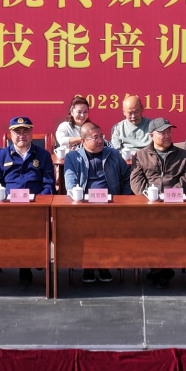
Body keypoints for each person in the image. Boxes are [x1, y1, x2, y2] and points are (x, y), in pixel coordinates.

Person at [63, 121, 132, 284]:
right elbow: (70, 184)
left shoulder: (113, 154)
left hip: (111, 204)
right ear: (83, 140)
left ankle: (104, 265)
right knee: (86, 225)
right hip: (84, 206)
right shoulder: (73, 157)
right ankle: (88, 265)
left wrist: (123, 199)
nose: (101, 140)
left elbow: (128, 178)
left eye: (101, 136)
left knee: (106, 226)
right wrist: (79, 198)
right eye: (95, 137)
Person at [0, 116, 55, 285]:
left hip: (36, 205)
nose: (21, 135)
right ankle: (25, 264)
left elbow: (48, 184)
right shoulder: (1, 156)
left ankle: (37, 257)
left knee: (36, 223)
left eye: (25, 131)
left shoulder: (43, 155)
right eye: (17, 132)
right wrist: (3, 197)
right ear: (10, 134)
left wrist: (40, 202)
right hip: (9, 206)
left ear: (31, 133)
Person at [130, 118, 186, 289]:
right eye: (162, 132)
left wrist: (168, 196)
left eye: (169, 132)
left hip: (175, 205)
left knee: (171, 228)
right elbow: (136, 182)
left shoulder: (183, 155)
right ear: (151, 135)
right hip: (148, 206)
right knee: (150, 229)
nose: (167, 135)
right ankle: (161, 270)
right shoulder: (141, 155)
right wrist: (152, 196)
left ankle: (159, 271)